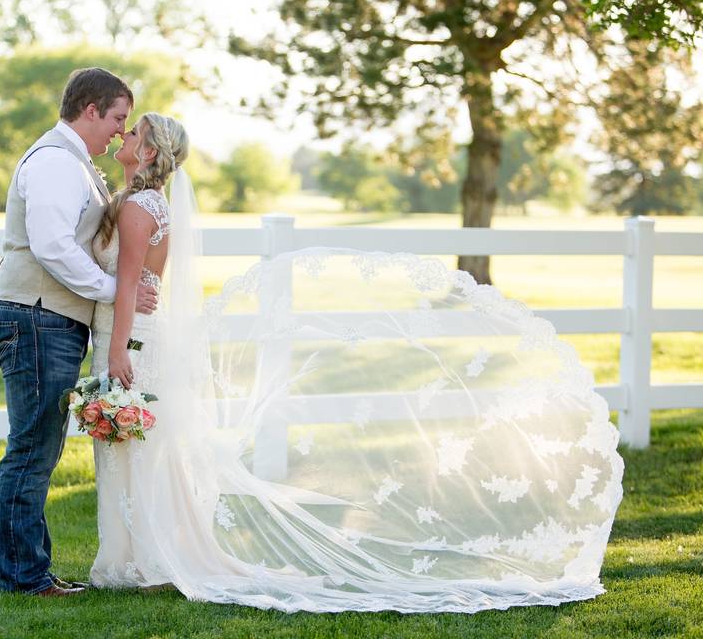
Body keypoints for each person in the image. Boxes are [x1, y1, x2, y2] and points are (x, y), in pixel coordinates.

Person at [85, 110, 625, 614]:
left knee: (141, 449)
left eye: (133, 134)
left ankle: (144, 560)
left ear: (152, 152)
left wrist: (115, 351)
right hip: (136, 333)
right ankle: (143, 555)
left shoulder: (138, 207)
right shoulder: (141, 203)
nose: (124, 137)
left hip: (132, 341)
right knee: (146, 448)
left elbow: (131, 284)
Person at [0, 67, 159, 598]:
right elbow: (52, 245)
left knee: (38, 446)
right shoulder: (57, 163)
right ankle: (25, 577)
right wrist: (111, 290)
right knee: (33, 449)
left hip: (47, 317)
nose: (120, 133)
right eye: (117, 119)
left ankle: (29, 571)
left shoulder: (73, 162)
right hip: (36, 315)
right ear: (90, 111)